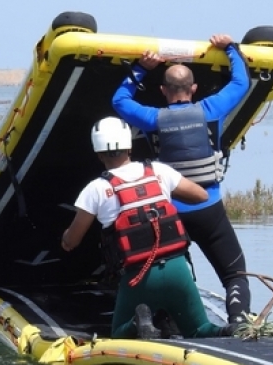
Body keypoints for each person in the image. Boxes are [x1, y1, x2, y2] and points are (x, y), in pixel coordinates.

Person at [112, 34, 252, 326]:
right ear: (194, 88)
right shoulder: (211, 109)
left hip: (168, 213)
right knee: (235, 273)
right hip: (209, 209)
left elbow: (119, 100)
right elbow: (241, 83)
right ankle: (239, 319)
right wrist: (230, 47)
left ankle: (162, 324)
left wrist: (141, 68)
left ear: (163, 90)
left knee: (167, 270)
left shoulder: (152, 118)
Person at [61, 116, 235, 339]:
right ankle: (230, 329)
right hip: (177, 270)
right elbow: (200, 195)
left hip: (138, 277)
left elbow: (72, 241)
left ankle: (138, 322)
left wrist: (65, 238)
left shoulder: (96, 189)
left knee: (118, 335)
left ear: (98, 154)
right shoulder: (158, 171)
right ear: (129, 147)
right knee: (199, 329)